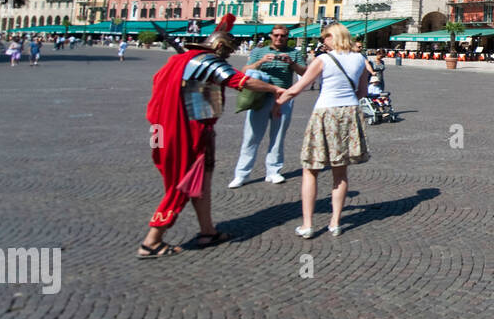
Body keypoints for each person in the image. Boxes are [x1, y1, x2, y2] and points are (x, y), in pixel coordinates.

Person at [138, 15, 288, 258]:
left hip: (180, 128)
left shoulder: (179, 61)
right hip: (186, 132)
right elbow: (240, 80)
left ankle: (207, 231)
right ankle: (152, 241)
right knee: (183, 183)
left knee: (201, 181)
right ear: (220, 47)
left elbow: (193, 93)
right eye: (227, 52)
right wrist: (275, 89)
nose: (227, 57)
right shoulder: (207, 61)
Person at [277, 22, 369, 238]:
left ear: (333, 37)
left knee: (311, 169)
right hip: (349, 113)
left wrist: (279, 99)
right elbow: (363, 91)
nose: (322, 41)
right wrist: (347, 103)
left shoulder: (323, 60)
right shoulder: (360, 59)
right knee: (340, 171)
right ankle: (335, 223)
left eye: (324, 37)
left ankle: (308, 225)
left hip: (325, 112)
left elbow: (300, 87)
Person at [229, 25, 306, 188]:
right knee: (251, 136)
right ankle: (242, 174)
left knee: (278, 136)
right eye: (276, 35)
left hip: (283, 97)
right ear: (271, 36)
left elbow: (304, 72)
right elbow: (244, 71)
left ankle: (273, 171)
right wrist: (261, 61)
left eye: (283, 36)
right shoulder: (259, 51)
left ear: (287, 37)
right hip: (260, 97)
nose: (279, 38)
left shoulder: (294, 53)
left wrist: (291, 63)